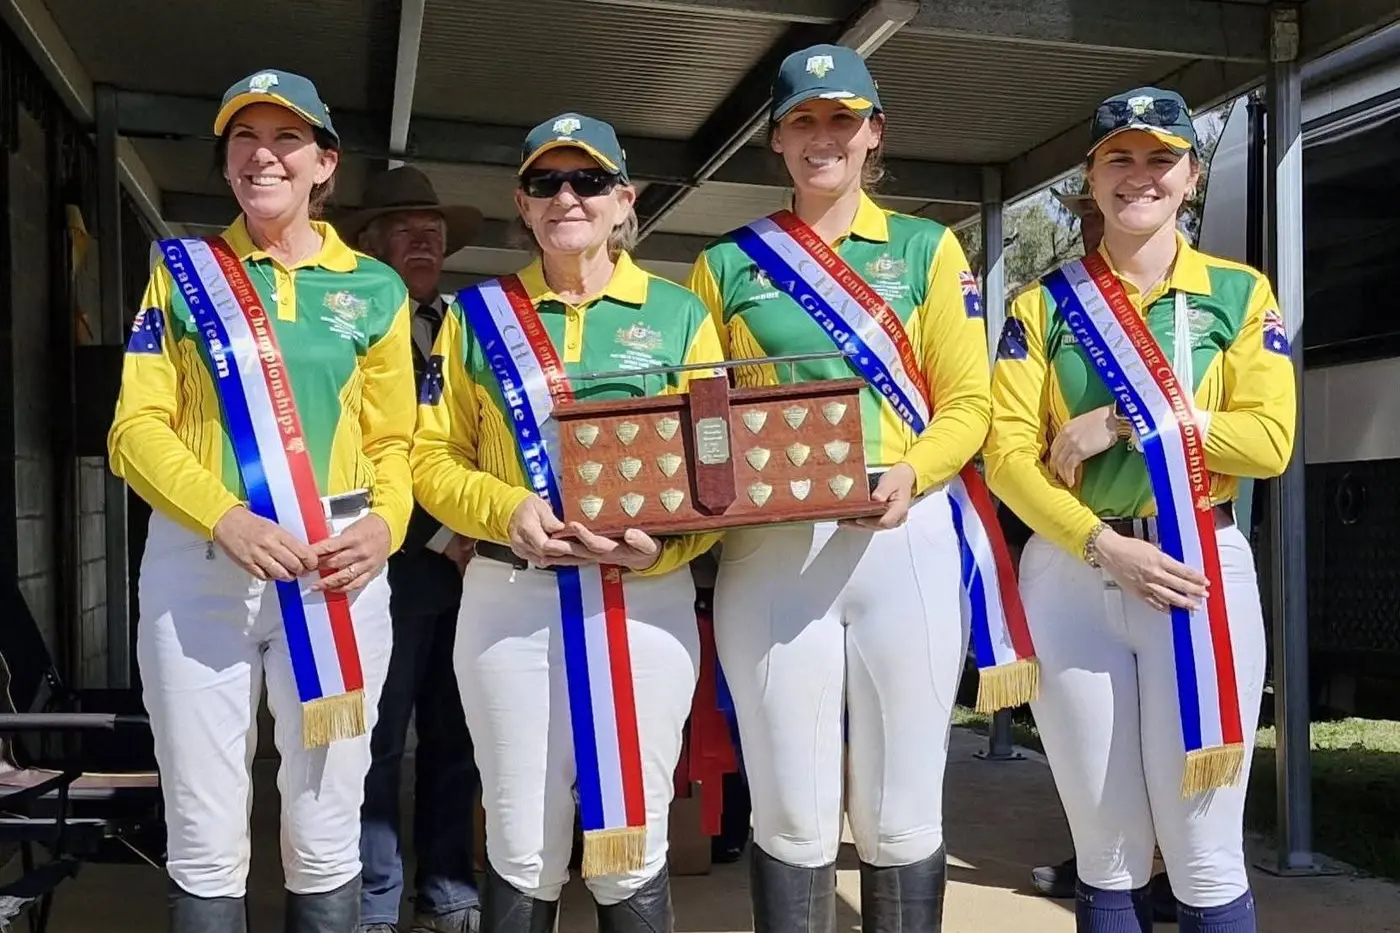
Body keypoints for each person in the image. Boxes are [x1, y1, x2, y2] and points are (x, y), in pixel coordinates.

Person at [687, 45, 1029, 933]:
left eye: (842, 119)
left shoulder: (926, 246)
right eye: (803, 120)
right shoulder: (725, 266)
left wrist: (913, 469)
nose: (823, 137)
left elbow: (967, 403)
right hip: (772, 550)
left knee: (901, 809)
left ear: (874, 133)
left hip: (901, 539)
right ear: (776, 138)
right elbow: (701, 414)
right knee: (792, 814)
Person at [107, 69, 416, 932]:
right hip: (202, 566)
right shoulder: (183, 274)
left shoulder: (378, 290)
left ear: (325, 163)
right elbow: (135, 429)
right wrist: (226, 516)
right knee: (205, 828)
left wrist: (386, 525)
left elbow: (397, 441)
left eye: (285, 139)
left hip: (337, 573)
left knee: (325, 825)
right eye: (244, 138)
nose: (262, 155)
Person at [985, 86, 1295, 933]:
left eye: (1161, 157)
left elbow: (1268, 441)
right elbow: (1008, 458)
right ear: (1090, 177)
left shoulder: (1239, 294)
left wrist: (1120, 422)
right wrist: (1097, 543)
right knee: (1108, 848)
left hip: (1199, 569)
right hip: (1073, 573)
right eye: (1119, 157)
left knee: (1204, 852)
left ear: (1192, 176)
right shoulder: (1040, 306)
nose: (1140, 176)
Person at [410, 113, 725, 933]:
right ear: (523, 202)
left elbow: (717, 469)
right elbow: (430, 458)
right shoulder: (476, 316)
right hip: (509, 596)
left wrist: (668, 548)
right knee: (520, 838)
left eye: (588, 181)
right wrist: (506, 508)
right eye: (547, 182)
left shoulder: (682, 313)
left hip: (641, 598)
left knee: (632, 838)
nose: (567, 198)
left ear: (624, 199)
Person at [334, 165, 485, 933]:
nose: (425, 238)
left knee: (458, 729)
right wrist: (439, 531)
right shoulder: (351, 326)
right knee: (381, 734)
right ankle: (373, 897)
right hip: (386, 557)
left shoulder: (468, 326)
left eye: (434, 228)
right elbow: (365, 447)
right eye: (405, 226)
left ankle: (450, 886)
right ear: (367, 241)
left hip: (475, 562)